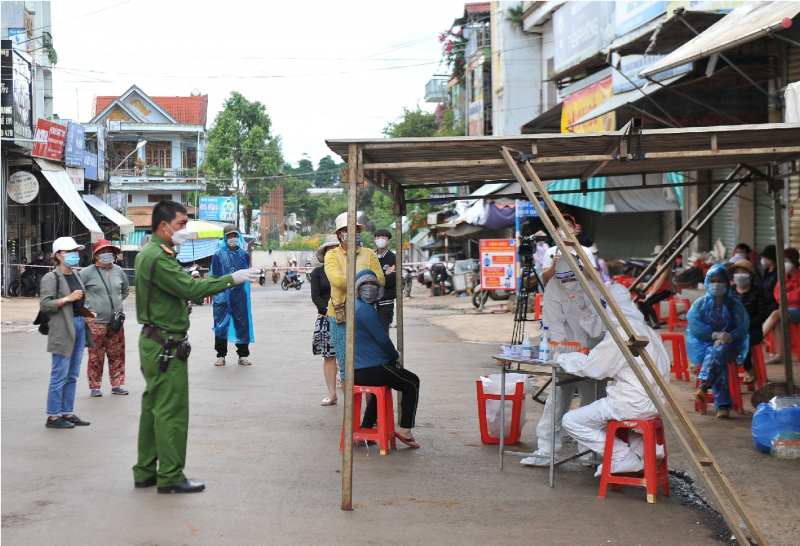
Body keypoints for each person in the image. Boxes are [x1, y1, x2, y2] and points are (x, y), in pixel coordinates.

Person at [132, 201, 260, 494]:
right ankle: (170, 476)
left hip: (155, 340)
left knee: (153, 407)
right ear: (163, 226)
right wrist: (232, 279)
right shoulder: (159, 258)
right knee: (171, 410)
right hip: (164, 343)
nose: (185, 229)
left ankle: (144, 471)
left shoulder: (151, 253)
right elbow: (191, 290)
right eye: (181, 224)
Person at [561, 284, 671, 476]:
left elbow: (595, 368)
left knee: (571, 421)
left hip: (632, 402)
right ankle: (650, 450)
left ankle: (621, 457)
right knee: (606, 423)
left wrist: (563, 358)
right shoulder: (647, 330)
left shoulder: (623, 333)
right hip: (656, 402)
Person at [521, 253, 607, 466]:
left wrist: (582, 305)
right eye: (563, 279)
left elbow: (598, 329)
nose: (566, 283)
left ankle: (590, 453)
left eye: (571, 279)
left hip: (593, 353)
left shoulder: (592, 288)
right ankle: (546, 450)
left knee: (592, 401)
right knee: (556, 400)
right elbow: (553, 324)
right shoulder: (554, 287)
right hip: (567, 353)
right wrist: (559, 352)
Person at [353, 269, 421, 449]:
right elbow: (383, 340)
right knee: (412, 382)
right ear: (357, 288)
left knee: (383, 386)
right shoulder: (367, 311)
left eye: (372, 285)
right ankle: (406, 430)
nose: (369, 288)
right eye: (365, 285)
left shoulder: (355, 307)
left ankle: (365, 428)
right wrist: (394, 356)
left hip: (357, 370)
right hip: (373, 368)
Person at [39, 237, 95, 429]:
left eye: (75, 251)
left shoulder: (76, 275)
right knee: (59, 373)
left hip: (79, 324)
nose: (74, 255)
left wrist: (88, 312)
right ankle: (53, 416)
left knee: (72, 374)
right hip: (62, 327)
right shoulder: (50, 278)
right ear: (58, 255)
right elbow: (45, 305)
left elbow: (81, 301)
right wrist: (67, 299)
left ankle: (67, 412)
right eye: (69, 252)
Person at [325, 212, 384, 382]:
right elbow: (337, 281)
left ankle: (367, 409)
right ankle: (350, 408)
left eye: (355, 229)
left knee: (369, 364)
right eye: (346, 229)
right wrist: (364, 280)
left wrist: (351, 280)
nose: (351, 233)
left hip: (365, 314)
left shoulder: (369, 254)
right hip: (340, 315)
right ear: (339, 233)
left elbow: (379, 280)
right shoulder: (332, 255)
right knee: (345, 366)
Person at [687, 264, 749, 420]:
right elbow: (694, 326)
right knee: (717, 355)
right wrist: (713, 335)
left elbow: (743, 328)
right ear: (708, 283)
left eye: (720, 281)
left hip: (731, 345)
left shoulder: (734, 305)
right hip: (706, 344)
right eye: (712, 281)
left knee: (719, 351)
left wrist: (729, 336)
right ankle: (723, 406)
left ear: (726, 283)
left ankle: (704, 384)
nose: (716, 284)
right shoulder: (700, 304)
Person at [80, 238, 130, 396]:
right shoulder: (86, 273)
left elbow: (125, 291)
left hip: (116, 321)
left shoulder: (118, 271)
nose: (107, 254)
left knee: (117, 353)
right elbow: (76, 293)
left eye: (109, 252)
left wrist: (115, 304)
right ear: (96, 255)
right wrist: (88, 311)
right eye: (103, 252)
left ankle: (117, 385)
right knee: (96, 356)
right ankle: (95, 387)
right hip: (96, 322)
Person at [211, 225, 254, 366]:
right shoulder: (218, 255)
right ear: (225, 238)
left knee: (242, 323)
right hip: (222, 295)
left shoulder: (244, 254)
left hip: (239, 295)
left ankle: (243, 355)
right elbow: (215, 276)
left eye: (235, 235)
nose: (232, 238)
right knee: (221, 324)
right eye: (229, 236)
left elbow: (246, 273)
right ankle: (221, 355)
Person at [311, 235, 340, 405]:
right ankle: (332, 393)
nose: (332, 251)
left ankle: (351, 390)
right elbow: (315, 296)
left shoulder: (347, 269)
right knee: (329, 356)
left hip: (347, 316)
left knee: (348, 356)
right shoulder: (318, 273)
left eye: (335, 248)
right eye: (329, 248)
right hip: (326, 318)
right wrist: (328, 311)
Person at [728, 259, 767, 384]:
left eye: (743, 271)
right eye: (737, 272)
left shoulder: (758, 291)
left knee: (741, 339)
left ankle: (748, 368)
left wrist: (744, 325)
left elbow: (762, 315)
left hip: (752, 330)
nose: (740, 274)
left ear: (750, 275)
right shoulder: (730, 290)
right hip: (732, 329)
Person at [762, 248, 800, 365]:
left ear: (793, 261)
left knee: (775, 314)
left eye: (786, 260)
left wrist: (785, 297)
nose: (784, 262)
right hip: (785, 308)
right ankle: (780, 355)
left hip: (797, 309)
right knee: (777, 322)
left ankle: (757, 339)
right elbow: (777, 294)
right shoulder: (784, 276)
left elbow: (798, 297)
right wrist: (786, 297)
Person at [540, 214, 594, 285]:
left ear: (574, 230)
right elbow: (545, 279)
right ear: (558, 231)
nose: (566, 228)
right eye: (562, 226)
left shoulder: (586, 252)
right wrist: (554, 265)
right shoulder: (550, 253)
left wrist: (578, 265)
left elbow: (594, 277)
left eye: (569, 226)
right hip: (559, 293)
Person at [636, 251, 673, 330]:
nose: (657, 257)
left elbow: (660, 281)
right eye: (656, 256)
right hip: (657, 289)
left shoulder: (665, 267)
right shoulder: (658, 266)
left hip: (666, 290)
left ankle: (656, 323)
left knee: (648, 302)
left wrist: (651, 294)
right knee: (640, 302)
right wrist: (646, 287)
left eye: (659, 255)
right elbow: (655, 280)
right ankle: (648, 321)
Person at [373, 228, 397, 330]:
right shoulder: (371, 256)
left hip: (386, 300)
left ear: (389, 241)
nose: (380, 240)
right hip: (370, 299)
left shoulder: (393, 257)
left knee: (384, 328)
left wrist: (377, 278)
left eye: (383, 237)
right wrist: (384, 274)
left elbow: (391, 280)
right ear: (374, 240)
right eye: (378, 237)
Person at [760, 245, 779, 316]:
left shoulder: (777, 274)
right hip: (763, 303)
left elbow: (774, 292)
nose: (762, 260)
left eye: (764, 258)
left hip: (771, 306)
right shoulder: (766, 271)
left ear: (770, 259)